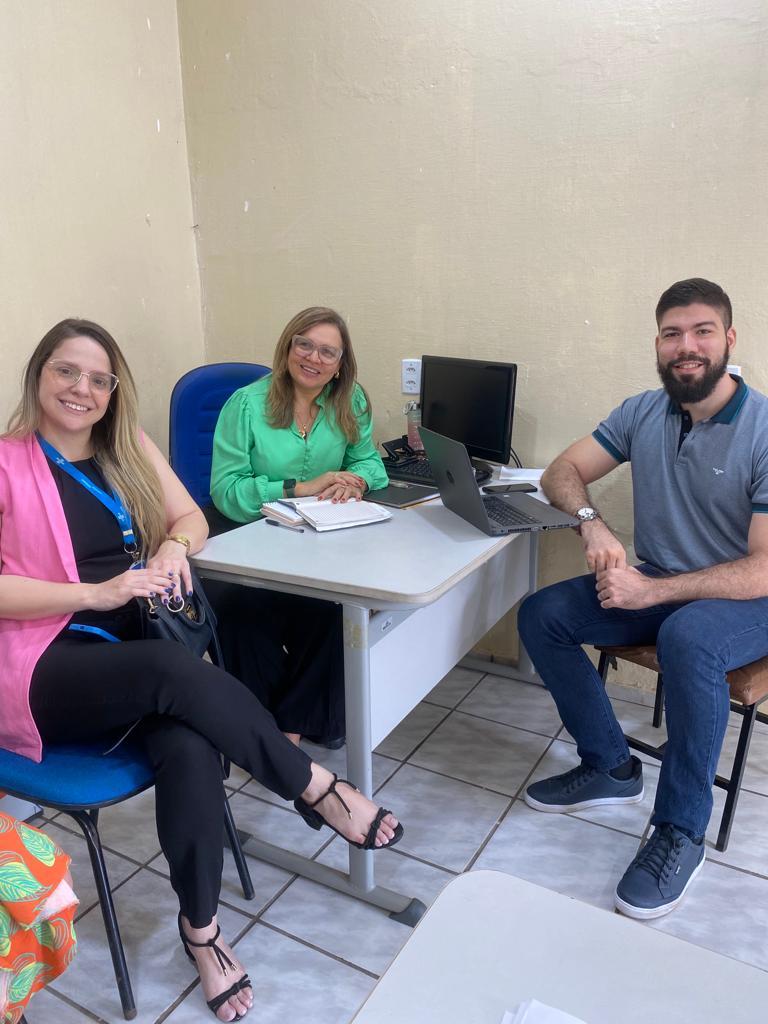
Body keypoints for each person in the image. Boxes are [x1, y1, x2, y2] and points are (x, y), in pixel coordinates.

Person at [0, 319, 402, 1023]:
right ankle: (315, 786)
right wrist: (96, 594)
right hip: (43, 664)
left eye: (99, 379)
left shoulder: (124, 448)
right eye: (67, 372)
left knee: (190, 742)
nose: (82, 389)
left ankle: (203, 932)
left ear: (113, 392)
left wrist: (172, 552)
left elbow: (192, 516)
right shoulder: (6, 462)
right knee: (167, 669)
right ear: (38, 375)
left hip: (127, 656)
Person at [517, 278, 768, 920]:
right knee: (542, 614)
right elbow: (559, 473)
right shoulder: (643, 411)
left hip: (749, 598)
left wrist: (650, 588)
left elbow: (763, 569)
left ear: (729, 339)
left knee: (690, 639)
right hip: (660, 580)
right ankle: (609, 765)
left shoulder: (764, 429)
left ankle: (680, 831)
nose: (686, 346)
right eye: (672, 333)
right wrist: (591, 522)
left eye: (702, 331)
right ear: (657, 344)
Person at [208, 307, 388, 747]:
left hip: (316, 540)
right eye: (304, 344)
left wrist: (356, 479)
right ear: (288, 347)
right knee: (244, 616)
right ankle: (269, 727)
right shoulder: (247, 404)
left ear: (341, 363)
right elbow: (226, 490)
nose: (313, 358)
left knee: (337, 612)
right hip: (247, 538)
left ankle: (292, 725)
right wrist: (300, 486)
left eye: (328, 351)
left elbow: (369, 461)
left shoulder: (352, 400)